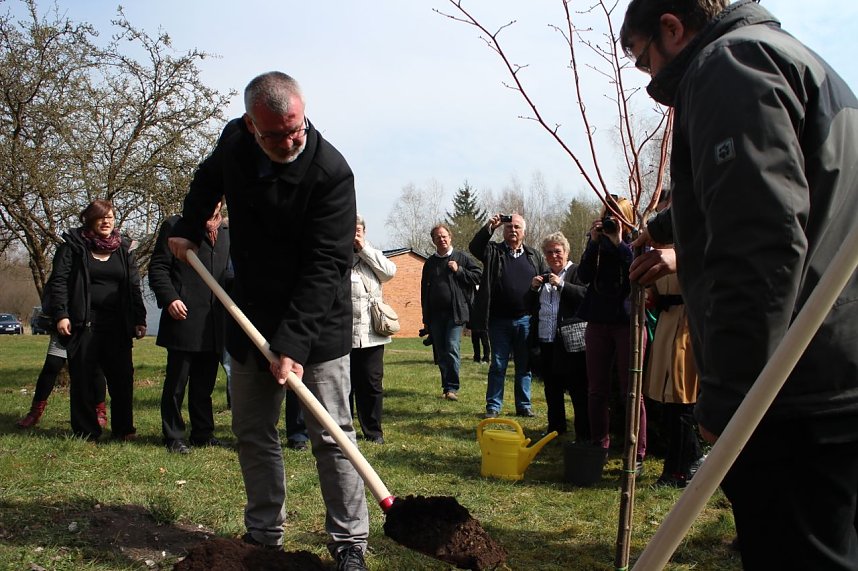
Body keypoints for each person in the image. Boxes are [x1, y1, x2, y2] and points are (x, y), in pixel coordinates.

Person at [622, 1, 858, 568]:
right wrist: (667, 224)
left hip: (795, 386)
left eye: (643, 59)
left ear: (672, 28)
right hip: (839, 367)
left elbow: (761, 242)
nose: (648, 76)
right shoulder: (800, 62)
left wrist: (731, 398)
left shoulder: (729, 66)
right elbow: (786, 185)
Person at [167, 71, 370, 570]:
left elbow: (327, 267)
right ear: (250, 126)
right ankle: (263, 535)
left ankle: (349, 543)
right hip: (251, 313)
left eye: (296, 129)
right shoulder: (235, 145)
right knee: (253, 430)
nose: (289, 141)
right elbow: (206, 180)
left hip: (317, 323)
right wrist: (190, 225)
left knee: (333, 433)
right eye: (275, 134)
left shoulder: (331, 173)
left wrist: (293, 345)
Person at [42, 199, 146, 441]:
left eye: (110, 217)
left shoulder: (123, 249)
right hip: (83, 324)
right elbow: (59, 282)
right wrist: (61, 314)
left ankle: (124, 430)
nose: (107, 222)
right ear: (90, 220)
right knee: (84, 379)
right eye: (101, 217)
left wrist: (139, 318)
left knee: (122, 379)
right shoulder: (73, 247)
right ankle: (86, 431)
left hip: (117, 326)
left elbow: (133, 287)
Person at [148, 202, 230, 454]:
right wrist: (170, 298)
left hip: (214, 322)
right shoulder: (176, 226)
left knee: (204, 384)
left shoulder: (227, 231)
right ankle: (173, 435)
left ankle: (203, 433)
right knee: (177, 382)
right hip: (183, 316)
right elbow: (158, 268)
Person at [577, 196, 646, 474]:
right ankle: (599, 446)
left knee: (632, 390)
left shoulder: (636, 240)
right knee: (596, 389)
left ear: (626, 216)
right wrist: (593, 243)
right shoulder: (597, 242)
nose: (610, 219)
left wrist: (619, 242)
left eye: (616, 214)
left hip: (628, 321)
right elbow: (583, 276)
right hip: (598, 320)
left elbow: (638, 271)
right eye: (607, 213)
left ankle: (636, 452)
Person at [469, 213, 547, 419]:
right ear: (503, 230)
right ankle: (493, 407)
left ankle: (524, 406)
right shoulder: (493, 251)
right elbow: (474, 247)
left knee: (524, 365)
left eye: (517, 227)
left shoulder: (534, 255)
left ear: (524, 232)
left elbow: (546, 276)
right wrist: (489, 227)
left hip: (526, 320)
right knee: (498, 365)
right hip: (498, 320)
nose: (513, 230)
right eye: (509, 227)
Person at [531, 232, 589, 440]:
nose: (553, 256)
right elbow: (530, 306)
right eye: (549, 252)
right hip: (547, 340)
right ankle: (556, 428)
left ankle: (583, 433)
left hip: (571, 343)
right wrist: (533, 289)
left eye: (557, 251)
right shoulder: (543, 276)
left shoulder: (576, 272)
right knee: (551, 388)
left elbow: (585, 295)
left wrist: (561, 285)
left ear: (566, 252)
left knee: (577, 389)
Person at [421, 224, 482, 400]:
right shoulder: (429, 263)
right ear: (433, 241)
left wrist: (459, 270)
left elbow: (478, 275)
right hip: (435, 315)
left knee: (451, 346)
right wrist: (425, 317)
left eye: (444, 236)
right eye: (438, 237)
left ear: (450, 237)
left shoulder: (462, 257)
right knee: (441, 351)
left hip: (456, 313)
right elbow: (424, 291)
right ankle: (446, 387)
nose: (442, 239)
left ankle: (453, 387)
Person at [350, 214, 396, 444]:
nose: (354, 235)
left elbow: (390, 272)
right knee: (344, 384)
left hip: (371, 334)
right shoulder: (336, 254)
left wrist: (363, 248)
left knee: (371, 383)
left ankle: (373, 431)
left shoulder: (373, 255)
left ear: (364, 232)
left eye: (358, 231)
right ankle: (343, 429)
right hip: (343, 332)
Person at [16, 334, 107, 429]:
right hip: (64, 331)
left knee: (95, 368)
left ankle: (100, 412)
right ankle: (35, 412)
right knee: (52, 365)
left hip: (89, 330)